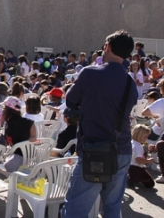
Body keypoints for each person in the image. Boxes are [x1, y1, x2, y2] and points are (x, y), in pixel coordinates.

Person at [61, 30, 138, 217]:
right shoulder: (130, 82)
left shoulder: (90, 73)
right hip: (122, 150)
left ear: (108, 47)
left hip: (94, 149)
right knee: (112, 208)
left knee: (75, 210)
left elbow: (71, 99)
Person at [1, 96, 37, 172]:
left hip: (19, 156)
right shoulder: (30, 122)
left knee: (6, 165)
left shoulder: (8, 125)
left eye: (3, 108)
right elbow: (34, 137)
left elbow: (6, 144)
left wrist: (1, 122)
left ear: (7, 110)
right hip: (33, 155)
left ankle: (17, 179)